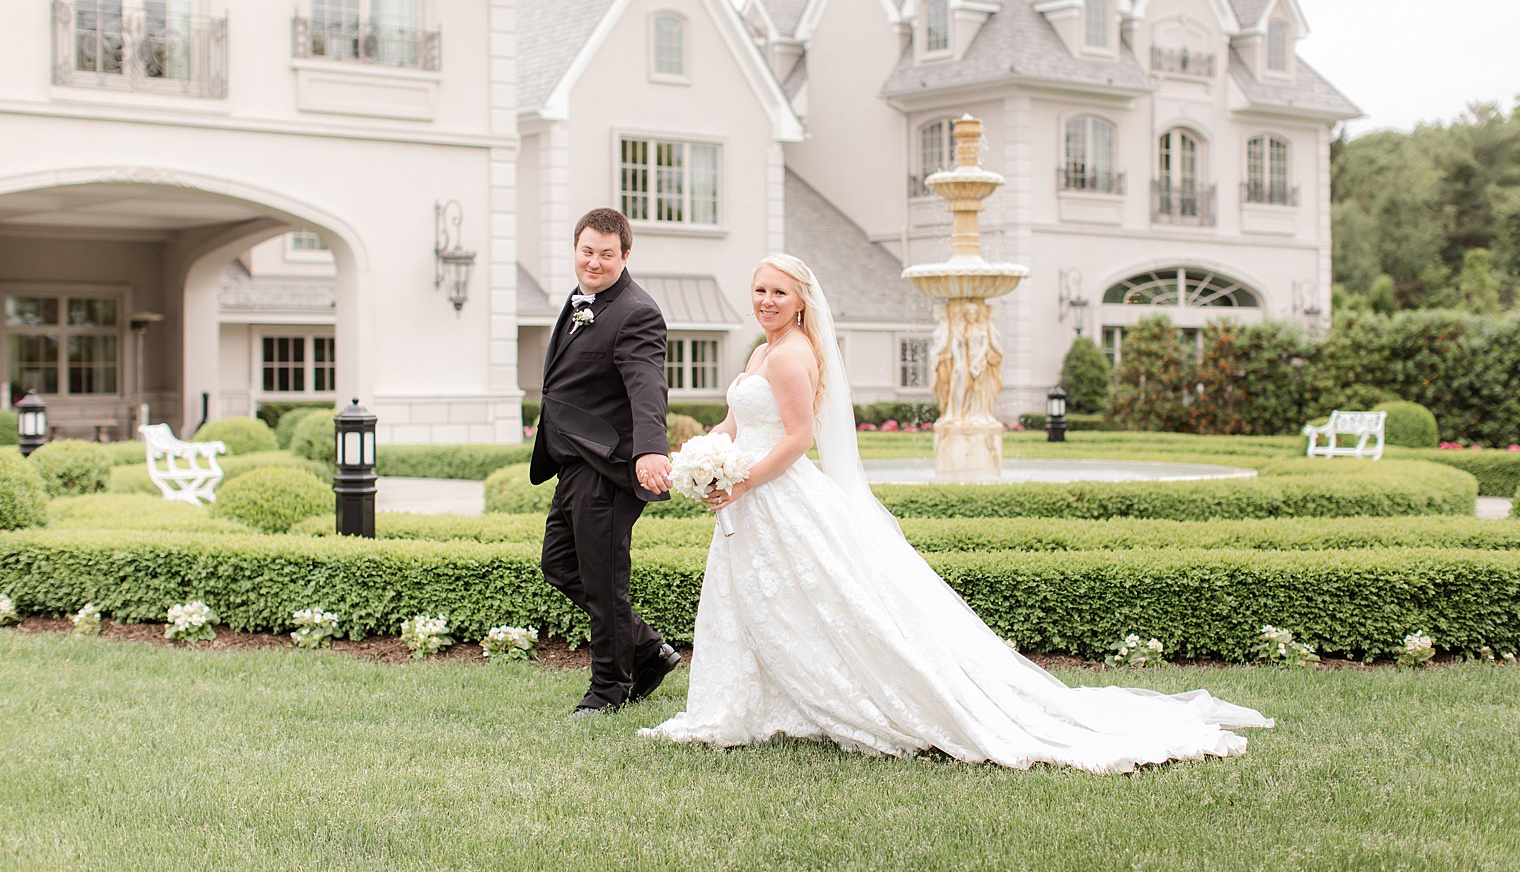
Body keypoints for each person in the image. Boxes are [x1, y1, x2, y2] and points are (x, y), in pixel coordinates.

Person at [640, 254, 1272, 772]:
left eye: (778, 291)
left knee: (823, 603)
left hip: (777, 496)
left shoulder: (789, 354)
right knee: (765, 603)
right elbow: (737, 421)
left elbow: (798, 438)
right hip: (752, 502)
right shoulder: (761, 351)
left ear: (802, 300)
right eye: (759, 290)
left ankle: (842, 699)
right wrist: (694, 455)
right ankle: (762, 702)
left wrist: (741, 481)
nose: (766, 300)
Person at [531, 207, 681, 715]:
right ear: (576, 250)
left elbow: (646, 383)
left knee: (603, 581)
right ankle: (647, 651)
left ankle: (607, 690)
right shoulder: (583, 301)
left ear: (626, 255)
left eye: (606, 254)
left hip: (609, 466)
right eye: (587, 251)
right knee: (559, 565)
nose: (594, 262)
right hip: (575, 460)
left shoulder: (636, 310)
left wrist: (651, 449)